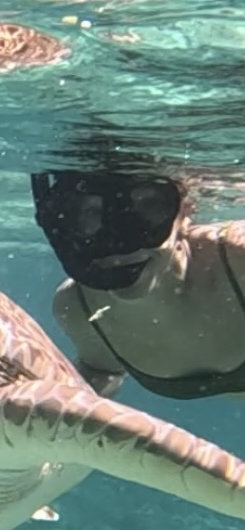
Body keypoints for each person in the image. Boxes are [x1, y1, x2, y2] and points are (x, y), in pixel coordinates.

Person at [34, 169, 245, 400]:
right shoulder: (78, 307)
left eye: (148, 207)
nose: (118, 243)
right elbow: (102, 373)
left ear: (185, 212)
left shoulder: (238, 259)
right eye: (89, 212)